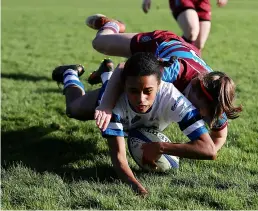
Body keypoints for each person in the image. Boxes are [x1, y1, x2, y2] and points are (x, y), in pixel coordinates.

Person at [52, 52, 220, 196]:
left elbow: (209, 150)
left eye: (148, 91)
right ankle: (70, 73)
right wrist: (136, 186)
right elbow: (119, 157)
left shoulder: (174, 99)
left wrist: (161, 147)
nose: (141, 99)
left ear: (160, 85)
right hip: (111, 99)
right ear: (123, 86)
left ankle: (106, 73)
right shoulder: (113, 105)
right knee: (73, 110)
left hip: (138, 108)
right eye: (133, 91)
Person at [85, 14, 242, 152]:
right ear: (194, 88)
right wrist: (105, 105)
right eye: (200, 110)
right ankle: (113, 25)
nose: (202, 115)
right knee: (100, 43)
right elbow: (123, 69)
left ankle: (103, 73)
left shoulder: (215, 104)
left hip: (186, 52)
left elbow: (218, 137)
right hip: (160, 43)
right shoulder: (173, 72)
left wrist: (191, 151)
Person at [142, 0, 229, 56]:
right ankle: (168, 56)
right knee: (192, 31)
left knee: (198, 44)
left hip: (202, 2)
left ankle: (192, 74)